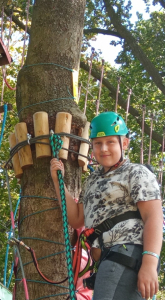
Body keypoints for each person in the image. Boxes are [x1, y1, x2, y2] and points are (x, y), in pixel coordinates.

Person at [50, 112, 163, 300]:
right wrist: (57, 182)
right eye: (97, 143)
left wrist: (150, 263)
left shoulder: (136, 173)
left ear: (124, 143)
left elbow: (154, 217)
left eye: (110, 142)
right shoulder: (93, 180)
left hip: (125, 253)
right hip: (107, 260)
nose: (103, 149)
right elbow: (77, 219)